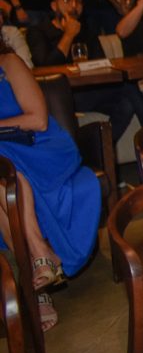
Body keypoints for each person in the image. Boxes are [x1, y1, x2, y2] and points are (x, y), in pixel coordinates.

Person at [0, 32, 102, 331]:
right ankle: (38, 269)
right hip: (6, 159)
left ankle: (38, 264)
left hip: (40, 147)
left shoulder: (9, 62)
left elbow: (38, 120)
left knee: (5, 171)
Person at [27, 0, 143, 143]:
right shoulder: (39, 31)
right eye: (67, 0)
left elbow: (101, 64)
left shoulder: (87, 32)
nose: (73, 6)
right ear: (54, 6)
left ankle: (100, 151)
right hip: (61, 96)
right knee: (128, 91)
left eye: (78, 1)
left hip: (89, 91)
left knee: (128, 100)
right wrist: (69, 35)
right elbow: (44, 66)